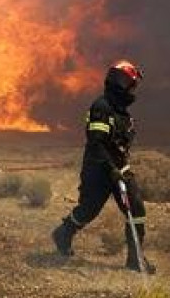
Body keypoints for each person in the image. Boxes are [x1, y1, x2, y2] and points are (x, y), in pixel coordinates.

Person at [51, 60, 155, 274]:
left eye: (131, 83)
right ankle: (63, 233)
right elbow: (97, 143)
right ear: (116, 80)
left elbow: (120, 145)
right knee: (88, 210)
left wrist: (120, 168)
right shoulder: (102, 107)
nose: (129, 87)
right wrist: (110, 169)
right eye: (126, 81)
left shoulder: (122, 112)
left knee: (136, 209)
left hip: (120, 169)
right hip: (98, 170)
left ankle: (135, 259)